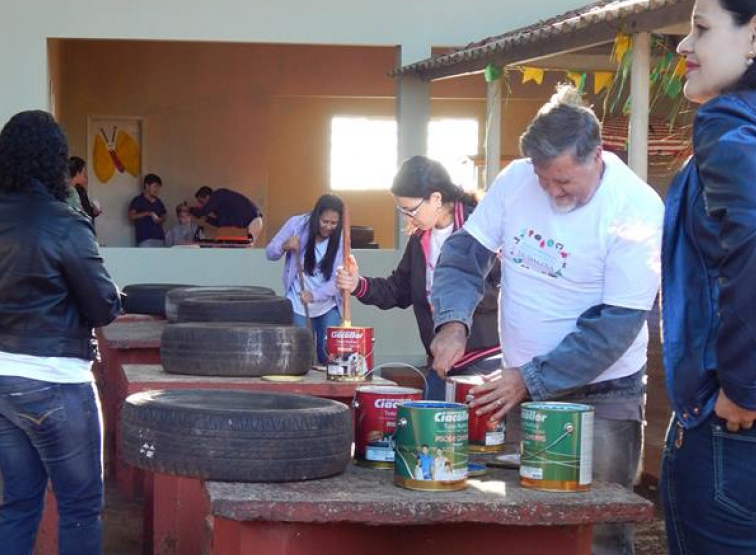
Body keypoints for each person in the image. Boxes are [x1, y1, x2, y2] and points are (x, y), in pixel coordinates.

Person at [429, 85, 663, 555]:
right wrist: (452, 323)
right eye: (543, 179)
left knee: (599, 530)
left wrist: (529, 378)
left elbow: (614, 326)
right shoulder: (516, 180)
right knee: (526, 520)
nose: (552, 192)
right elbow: (462, 256)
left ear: (597, 155)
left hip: (603, 393)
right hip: (521, 387)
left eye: (563, 182)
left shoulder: (636, 209)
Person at [0, 110, 122, 555]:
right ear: (55, 163)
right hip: (53, 383)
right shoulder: (64, 222)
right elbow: (103, 306)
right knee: (80, 507)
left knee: (19, 504)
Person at [660, 1, 756, 552]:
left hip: (737, 433)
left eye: (701, 28)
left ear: (754, 36)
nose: (683, 45)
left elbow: (754, 233)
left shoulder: (731, 119)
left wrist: (745, 386)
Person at [335, 156, 501, 400]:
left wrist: (453, 314)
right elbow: (399, 289)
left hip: (486, 360)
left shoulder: (480, 228)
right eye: (401, 210)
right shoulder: (420, 239)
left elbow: (501, 290)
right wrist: (359, 284)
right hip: (442, 361)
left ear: (436, 198)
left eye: (410, 210)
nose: (406, 218)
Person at [265, 194, 344, 364]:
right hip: (297, 305)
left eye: (334, 223)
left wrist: (314, 295)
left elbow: (337, 281)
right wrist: (284, 245)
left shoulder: (342, 240)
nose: (329, 227)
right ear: (316, 216)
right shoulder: (296, 225)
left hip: (327, 305)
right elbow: (270, 252)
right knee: (300, 356)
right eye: (325, 221)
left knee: (329, 356)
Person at [190, 186, 264, 244]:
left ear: (207, 197)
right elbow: (220, 224)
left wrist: (189, 210)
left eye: (201, 202)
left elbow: (203, 211)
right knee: (242, 250)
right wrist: (207, 219)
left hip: (252, 222)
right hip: (252, 222)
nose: (201, 205)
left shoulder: (218, 194)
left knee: (245, 251)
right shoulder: (222, 206)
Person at [129, 173, 167, 247]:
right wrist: (148, 213)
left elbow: (164, 214)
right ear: (146, 186)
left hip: (159, 237)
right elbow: (132, 216)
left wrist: (160, 219)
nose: (157, 190)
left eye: (158, 187)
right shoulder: (137, 200)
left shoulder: (158, 201)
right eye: (155, 186)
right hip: (144, 238)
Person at [68, 156, 102, 221]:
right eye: (83, 173)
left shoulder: (80, 190)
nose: (85, 176)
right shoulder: (71, 192)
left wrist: (94, 211)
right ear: (78, 173)